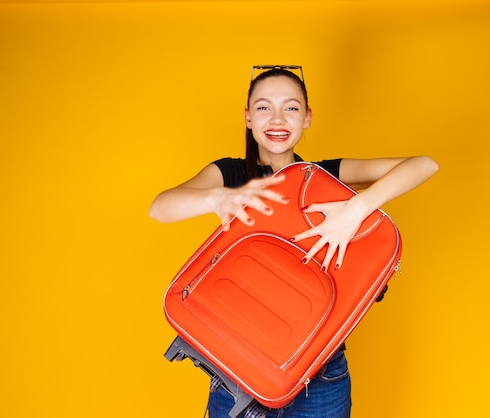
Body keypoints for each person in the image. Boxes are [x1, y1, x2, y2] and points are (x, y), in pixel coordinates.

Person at [150, 65, 438, 418]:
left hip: (320, 373)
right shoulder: (231, 173)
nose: (277, 119)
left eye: (290, 108)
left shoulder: (323, 176)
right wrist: (215, 198)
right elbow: (160, 207)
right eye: (263, 107)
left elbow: (425, 164)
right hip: (237, 363)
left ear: (307, 118)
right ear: (248, 118)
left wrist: (356, 207)